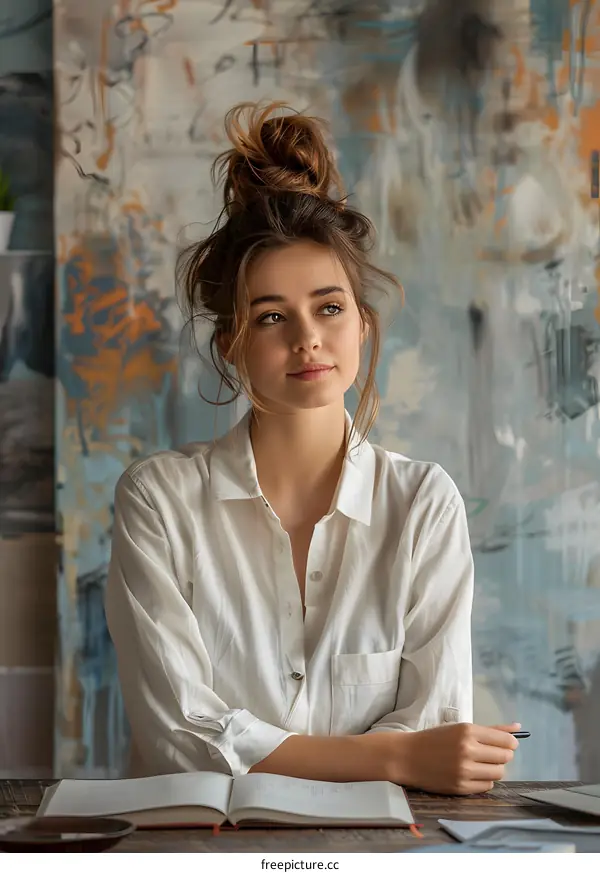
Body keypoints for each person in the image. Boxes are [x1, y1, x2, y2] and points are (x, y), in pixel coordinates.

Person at [104, 101, 520, 795]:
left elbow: (434, 719)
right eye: (271, 316)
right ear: (232, 342)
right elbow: (179, 734)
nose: (307, 339)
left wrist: (396, 753)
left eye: (328, 307)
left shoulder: (422, 504)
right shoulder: (159, 499)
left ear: (361, 322)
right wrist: (393, 758)